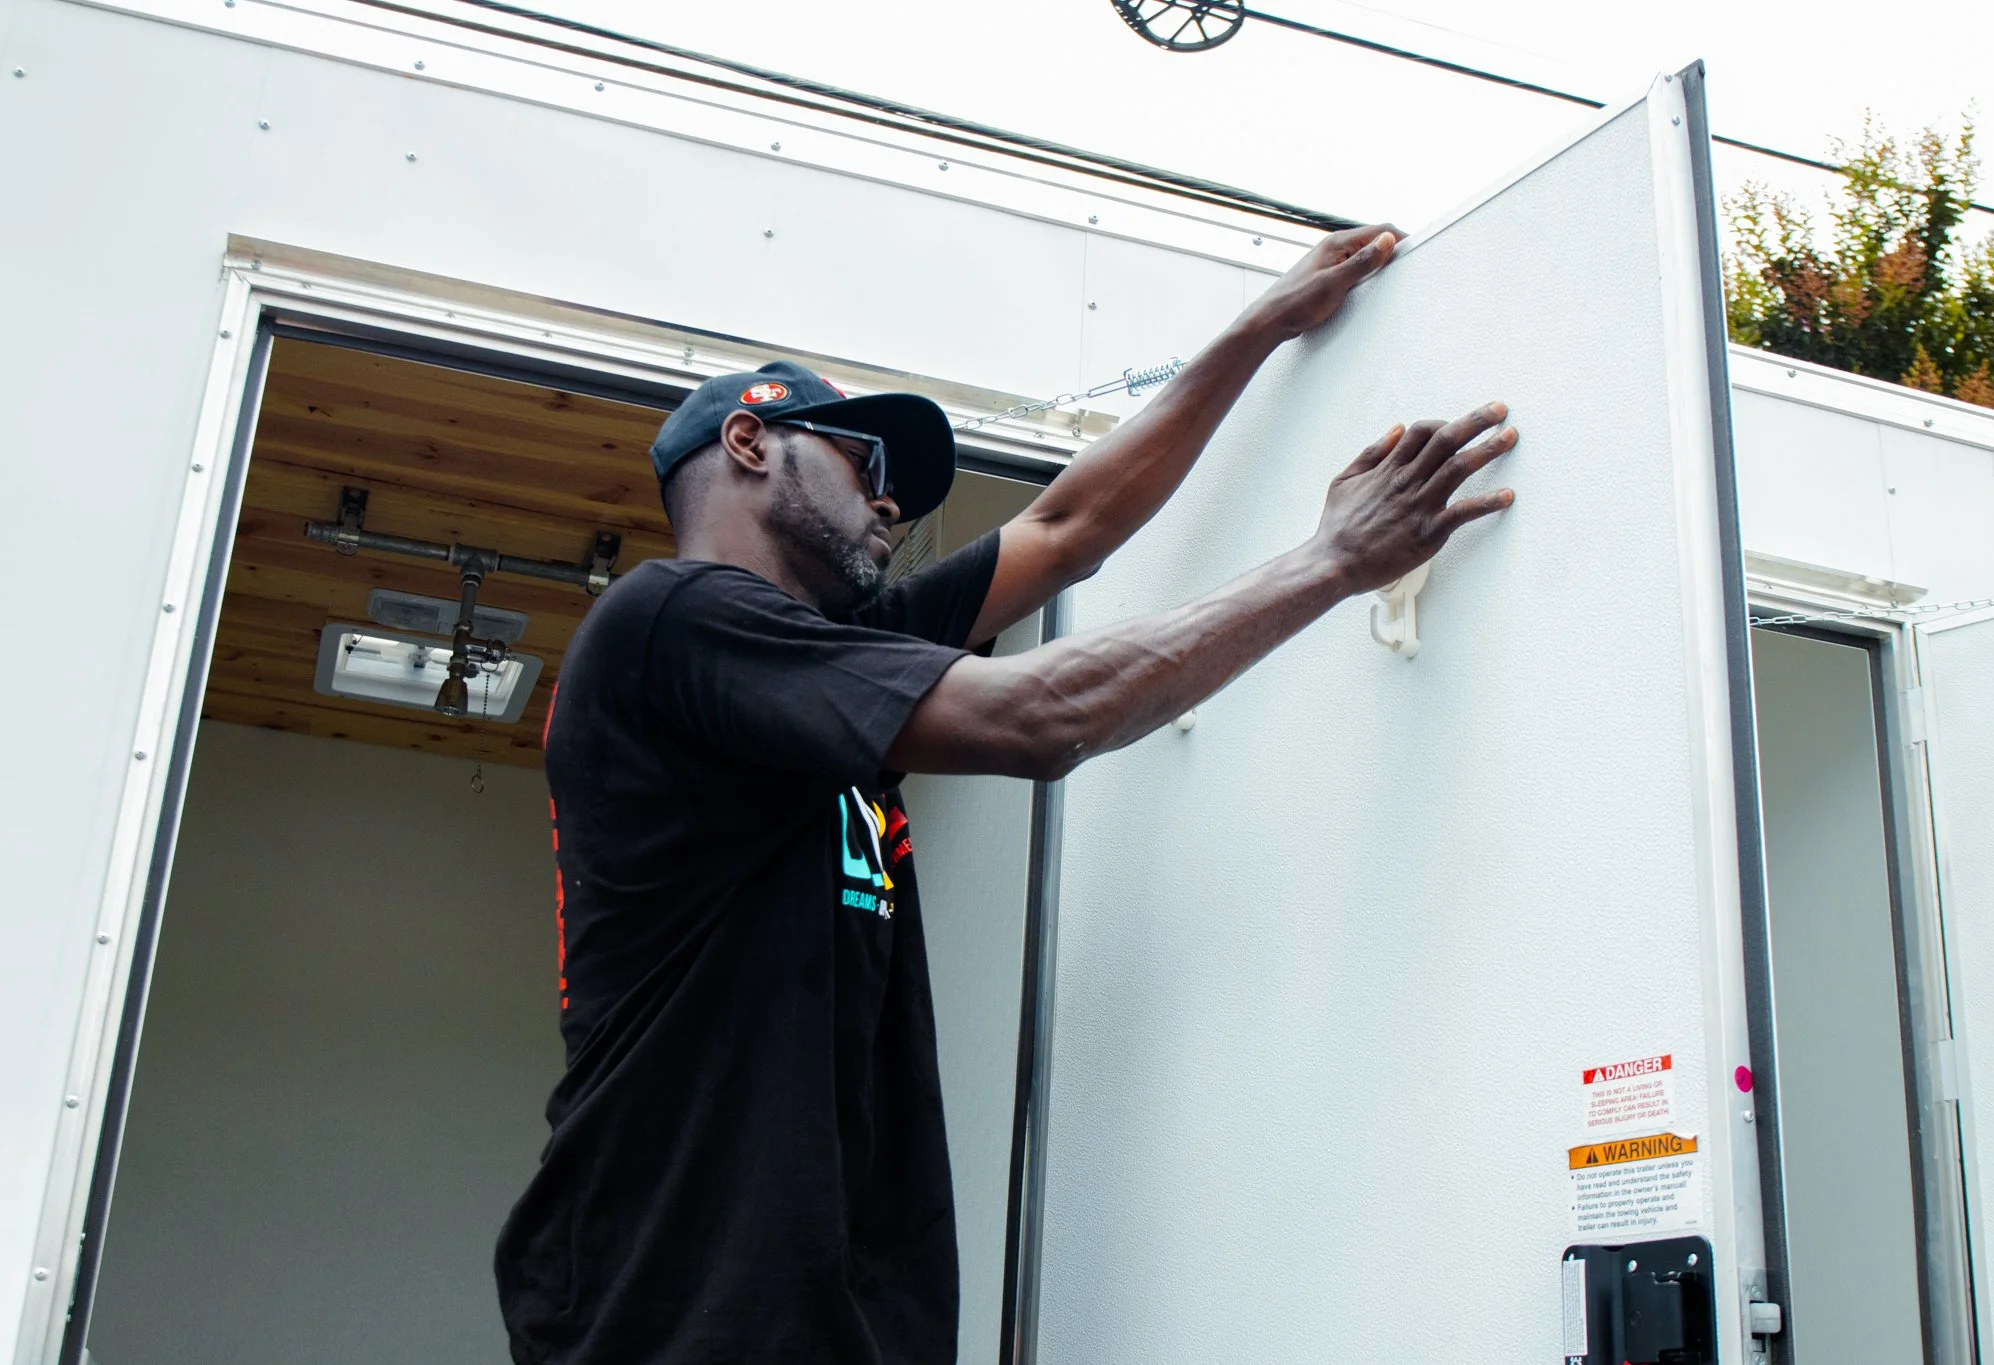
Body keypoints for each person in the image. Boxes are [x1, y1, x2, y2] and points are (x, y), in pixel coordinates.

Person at [494, 224, 1518, 1364]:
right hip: (671, 1309)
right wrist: (1328, 561)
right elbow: (1042, 716)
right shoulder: (670, 622)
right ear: (748, 442)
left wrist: (1260, 328)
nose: (889, 504)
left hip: (829, 1314)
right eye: (865, 465)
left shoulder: (812, 656)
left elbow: (1066, 530)